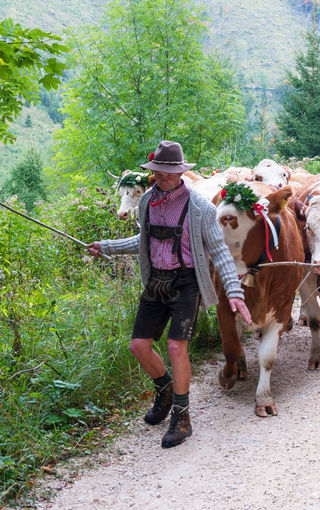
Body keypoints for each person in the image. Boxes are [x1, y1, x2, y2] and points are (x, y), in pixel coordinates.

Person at [87, 140, 252, 449]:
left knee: (177, 347)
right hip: (156, 282)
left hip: (186, 283)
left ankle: (181, 415)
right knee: (138, 346)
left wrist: (234, 291)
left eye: (169, 172)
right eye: (158, 172)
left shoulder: (201, 208)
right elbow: (143, 240)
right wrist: (106, 246)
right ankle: (164, 388)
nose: (163, 178)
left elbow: (218, 250)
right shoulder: (148, 200)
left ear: (180, 173)